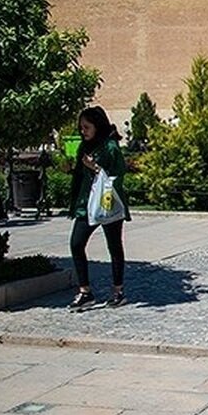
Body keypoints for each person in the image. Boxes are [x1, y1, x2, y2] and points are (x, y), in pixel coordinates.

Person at [68, 106, 130, 309]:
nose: (83, 131)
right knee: (76, 243)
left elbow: (118, 173)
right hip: (86, 205)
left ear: (97, 126)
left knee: (114, 246)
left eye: (87, 127)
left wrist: (95, 167)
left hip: (107, 204)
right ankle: (85, 291)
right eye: (81, 128)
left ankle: (118, 290)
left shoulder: (110, 147)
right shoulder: (84, 148)